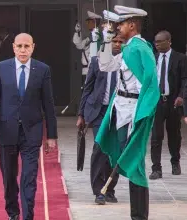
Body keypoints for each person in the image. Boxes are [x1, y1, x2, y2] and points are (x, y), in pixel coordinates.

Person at [95, 5, 160, 220]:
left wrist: (141, 116)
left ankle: (139, 216)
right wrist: (104, 41)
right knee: (130, 162)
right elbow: (105, 66)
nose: (117, 27)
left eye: (121, 23)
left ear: (132, 25)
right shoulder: (129, 47)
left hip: (132, 112)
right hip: (120, 110)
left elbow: (150, 85)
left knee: (135, 164)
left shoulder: (139, 48)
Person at [0, 33, 58, 220]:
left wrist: (51, 135)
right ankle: (13, 213)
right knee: (9, 178)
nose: (23, 50)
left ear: (33, 47)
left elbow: (48, 104)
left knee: (29, 177)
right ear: (13, 47)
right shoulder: (1, 68)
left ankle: (28, 216)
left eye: (27, 46)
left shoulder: (42, 70)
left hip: (31, 132)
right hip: (6, 131)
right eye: (20, 46)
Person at [77, 33, 124, 205]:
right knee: (100, 148)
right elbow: (87, 88)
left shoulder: (127, 63)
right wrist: (81, 114)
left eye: (121, 41)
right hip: (98, 111)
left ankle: (109, 189)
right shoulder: (97, 61)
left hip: (119, 111)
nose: (117, 44)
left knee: (115, 150)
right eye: (115, 41)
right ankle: (99, 191)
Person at [149, 30, 186, 179]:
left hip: (173, 101)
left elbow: (185, 80)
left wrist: (181, 96)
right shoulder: (153, 58)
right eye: (155, 42)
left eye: (160, 42)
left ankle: (175, 161)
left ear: (169, 41)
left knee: (174, 134)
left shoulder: (180, 58)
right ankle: (156, 168)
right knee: (156, 136)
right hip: (157, 101)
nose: (156, 45)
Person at [73, 11, 102, 83]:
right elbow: (79, 45)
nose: (87, 24)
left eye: (89, 22)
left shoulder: (96, 36)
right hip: (87, 70)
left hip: (92, 70)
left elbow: (80, 46)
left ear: (94, 22)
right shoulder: (91, 36)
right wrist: (77, 32)